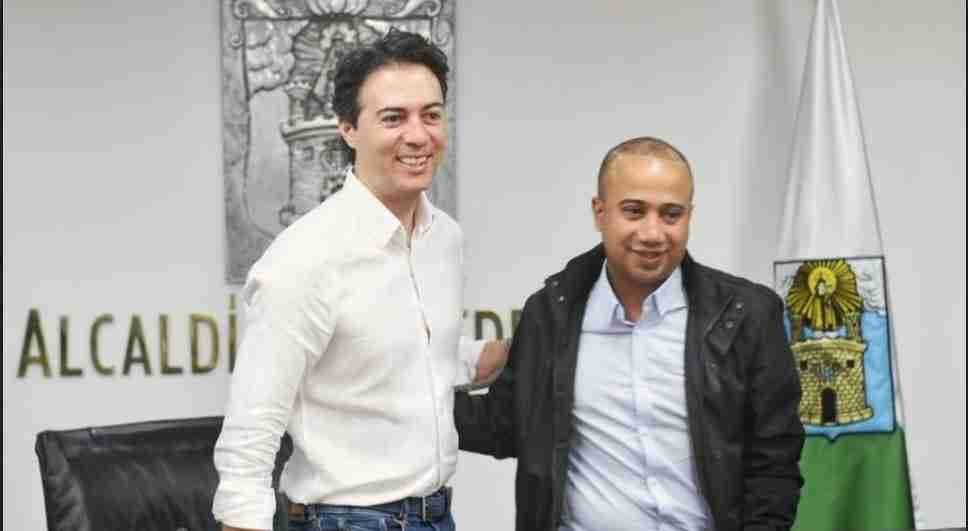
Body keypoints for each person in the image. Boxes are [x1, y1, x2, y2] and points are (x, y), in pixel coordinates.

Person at [213, 29, 507, 531]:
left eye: (431, 115)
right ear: (348, 129)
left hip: (436, 516)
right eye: (393, 118)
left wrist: (484, 356)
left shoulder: (444, 239)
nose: (418, 135)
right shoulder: (306, 258)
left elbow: (393, 355)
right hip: (343, 521)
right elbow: (252, 429)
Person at [455, 137, 804, 531]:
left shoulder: (747, 316)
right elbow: (505, 424)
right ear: (599, 212)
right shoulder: (551, 313)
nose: (652, 233)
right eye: (634, 211)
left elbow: (774, 463)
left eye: (671, 214)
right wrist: (404, 399)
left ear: (689, 216)